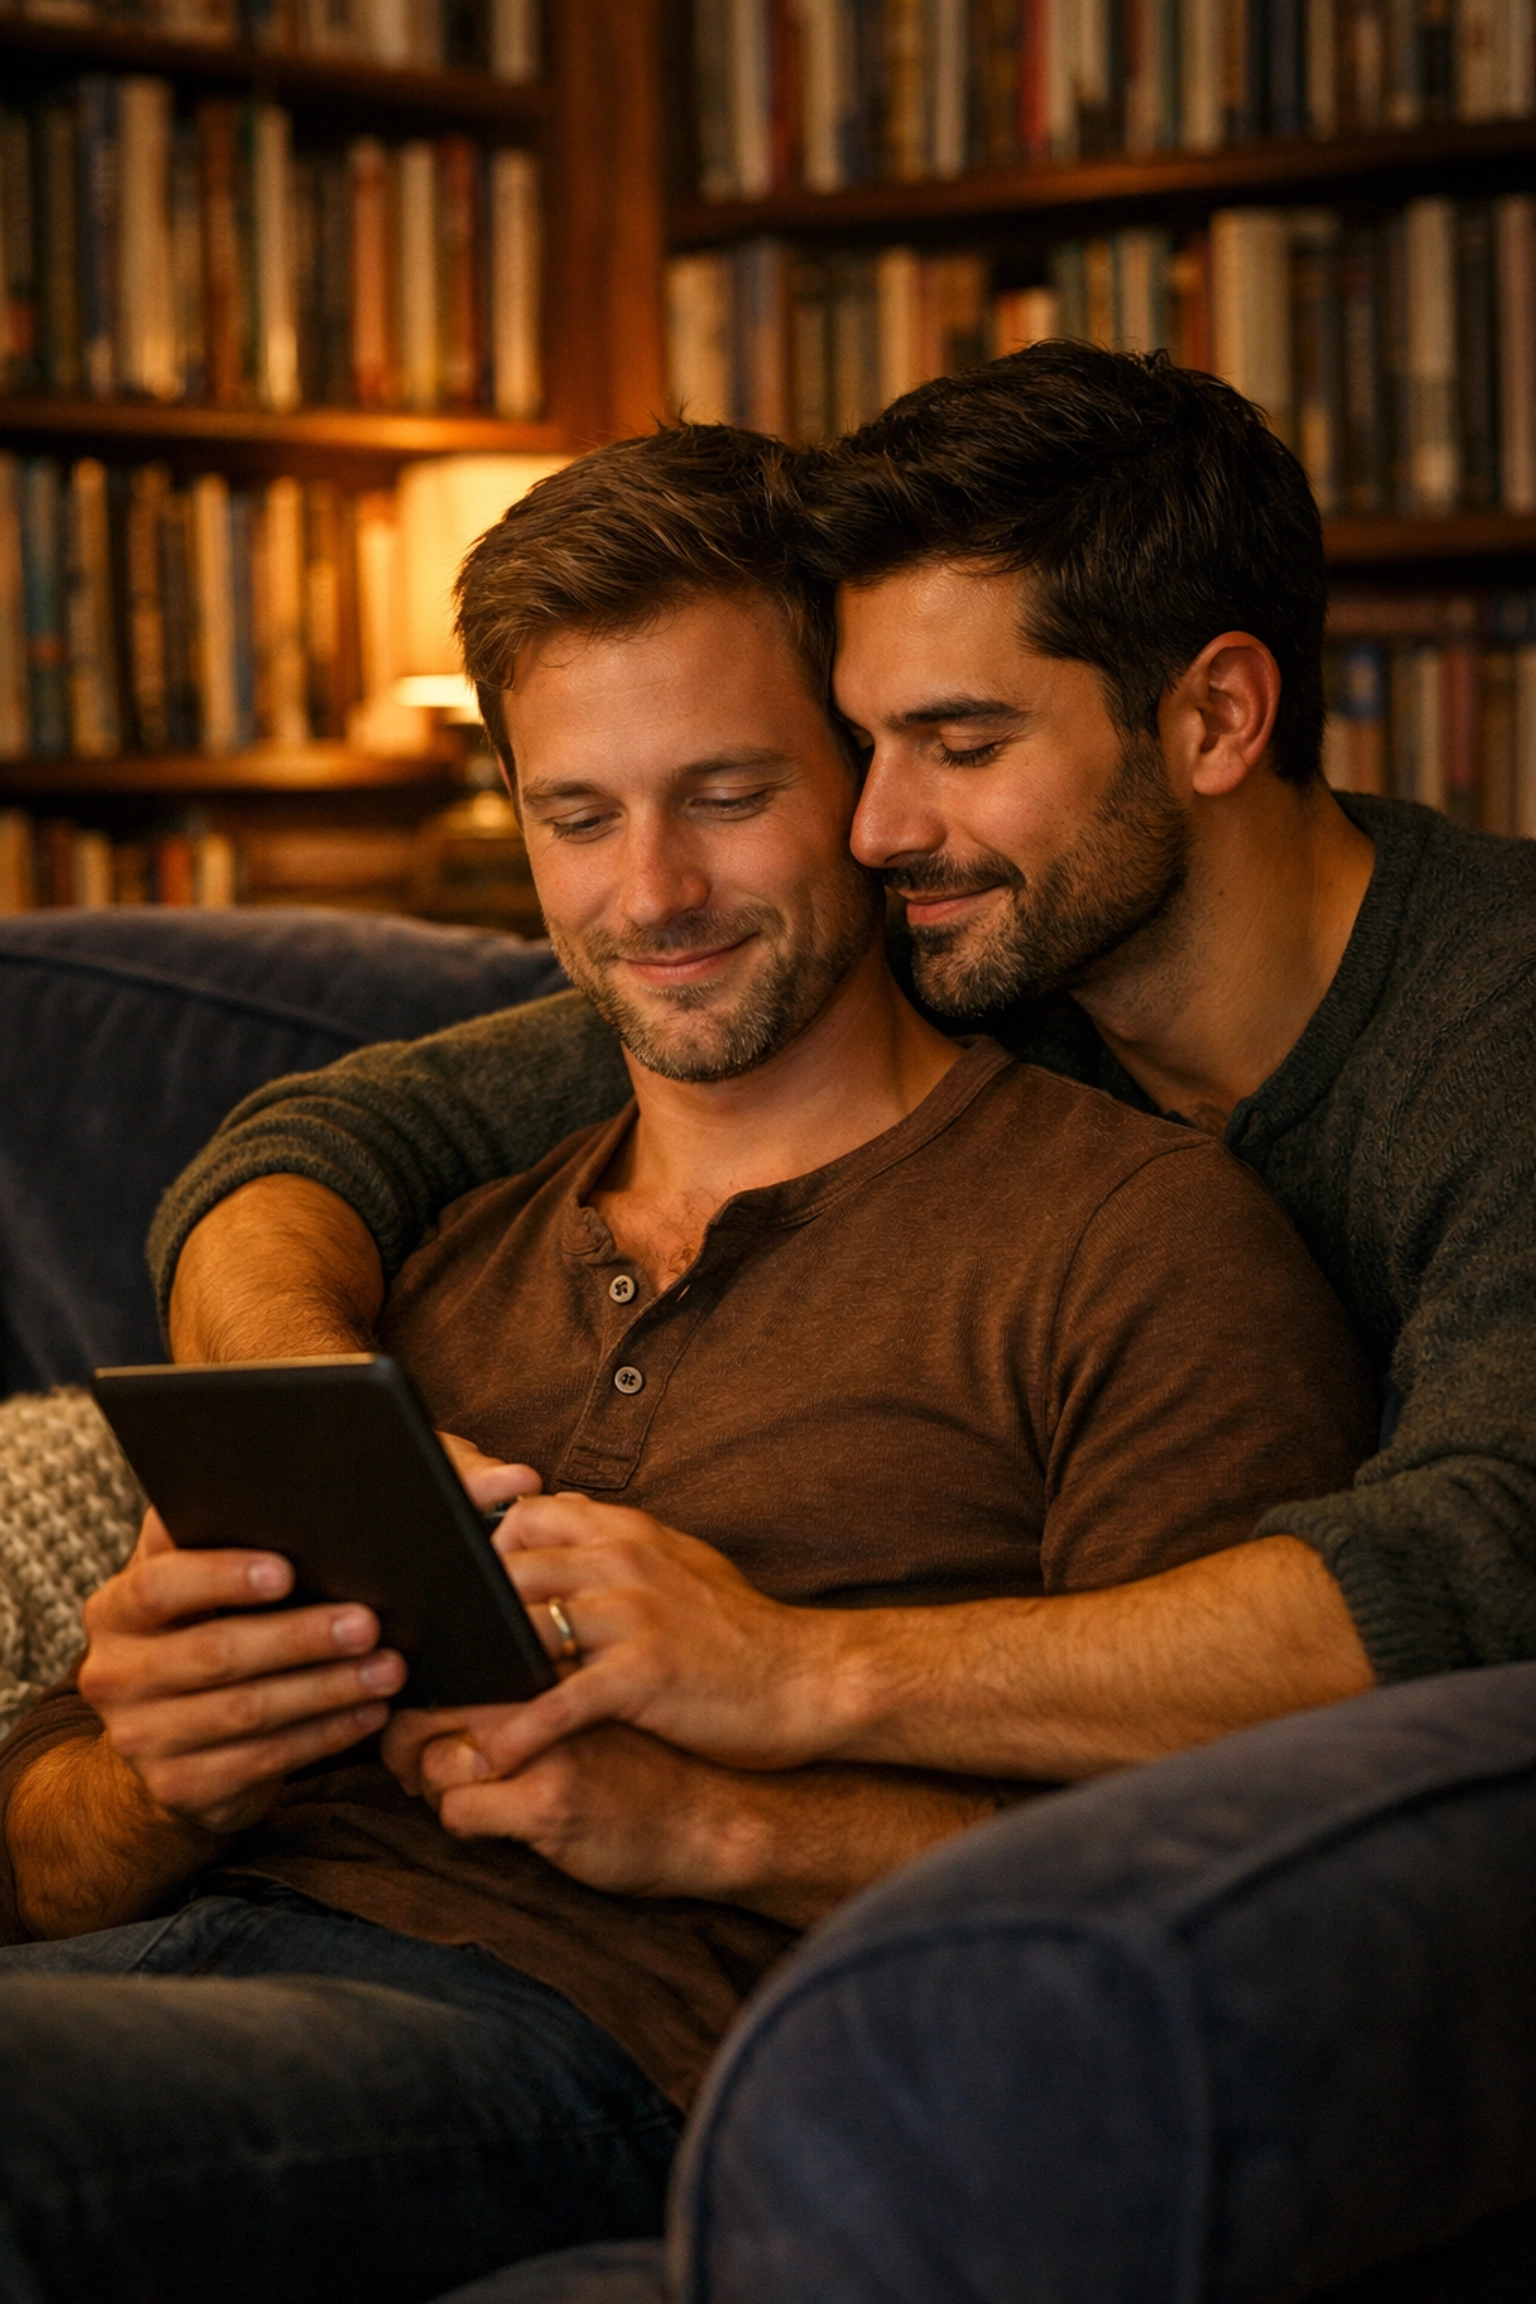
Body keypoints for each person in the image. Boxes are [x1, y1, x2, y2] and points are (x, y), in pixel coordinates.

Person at [0, 426, 1371, 2304]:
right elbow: (46, 1839)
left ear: (864, 788)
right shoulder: (423, 1249)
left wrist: (707, 1825)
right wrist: (160, 1775)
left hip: (570, 2048)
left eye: (727, 794)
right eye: (579, 816)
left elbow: (1208, 1902)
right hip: (157, 1967)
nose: (653, 893)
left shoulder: (1136, 1247)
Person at [153, 344, 1536, 1785]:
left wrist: (796, 1671)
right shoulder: (984, 953)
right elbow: (336, 1139)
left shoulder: (1493, 1019)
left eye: (960, 741)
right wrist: (327, 1458)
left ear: (1218, 717)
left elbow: (1486, 1569)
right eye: (865, 744)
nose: (874, 832)